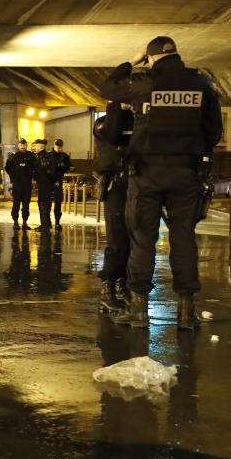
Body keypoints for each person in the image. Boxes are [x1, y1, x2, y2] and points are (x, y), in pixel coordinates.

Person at [100, 36, 223, 329]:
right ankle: (186, 314)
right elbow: (214, 131)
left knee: (143, 238)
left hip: (148, 173)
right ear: (177, 54)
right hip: (186, 173)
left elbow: (108, 88)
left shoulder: (145, 82)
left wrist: (132, 60)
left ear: (152, 58)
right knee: (184, 239)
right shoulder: (201, 84)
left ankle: (139, 310)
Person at [94, 102, 134, 313]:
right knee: (117, 239)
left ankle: (123, 283)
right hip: (116, 186)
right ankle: (108, 285)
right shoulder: (103, 124)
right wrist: (118, 108)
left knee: (135, 240)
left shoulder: (138, 121)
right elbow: (113, 134)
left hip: (138, 185)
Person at [5, 138, 36, 229]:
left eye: (24, 145)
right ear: (18, 146)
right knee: (16, 204)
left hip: (27, 184)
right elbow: (7, 168)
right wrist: (13, 177)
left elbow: (36, 167)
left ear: (26, 145)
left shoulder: (31, 156)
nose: (23, 146)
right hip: (17, 184)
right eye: (21, 145)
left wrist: (33, 176)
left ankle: (25, 223)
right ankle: (15, 222)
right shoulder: (14, 157)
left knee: (26, 205)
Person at [33, 139, 56, 231]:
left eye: (36, 146)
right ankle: (48, 223)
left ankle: (44, 225)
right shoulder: (45, 156)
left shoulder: (43, 157)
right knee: (45, 204)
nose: (35, 148)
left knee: (43, 205)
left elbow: (48, 171)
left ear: (41, 147)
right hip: (45, 184)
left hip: (45, 184)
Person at [52, 139, 71, 230]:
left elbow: (68, 167)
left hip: (58, 182)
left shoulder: (64, 156)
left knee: (58, 203)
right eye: (58, 146)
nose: (59, 148)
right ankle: (46, 222)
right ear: (54, 145)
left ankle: (57, 222)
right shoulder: (49, 155)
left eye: (60, 147)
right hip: (50, 182)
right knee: (46, 204)